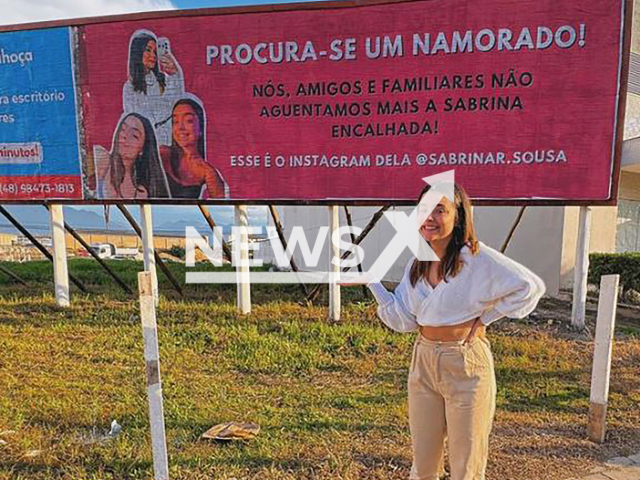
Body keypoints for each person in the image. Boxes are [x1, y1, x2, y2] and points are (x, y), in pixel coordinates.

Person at [347, 183, 545, 480]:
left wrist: (487, 318)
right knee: (424, 461)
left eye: (440, 209)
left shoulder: (478, 259)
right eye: (424, 209)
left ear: (458, 216)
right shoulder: (417, 264)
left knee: (466, 463)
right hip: (424, 360)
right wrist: (373, 283)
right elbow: (403, 320)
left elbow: (529, 287)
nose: (429, 217)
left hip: (466, 363)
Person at [122, 30, 184, 146]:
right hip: (147, 144)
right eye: (148, 50)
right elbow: (139, 119)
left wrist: (176, 74)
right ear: (138, 52)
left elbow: (176, 104)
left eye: (155, 51)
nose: (153, 55)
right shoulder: (130, 87)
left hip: (169, 141)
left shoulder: (163, 79)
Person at [160, 97, 229, 199]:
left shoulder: (207, 171)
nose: (180, 127)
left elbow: (222, 206)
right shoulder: (162, 154)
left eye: (189, 121)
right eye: (175, 121)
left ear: (201, 128)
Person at [94, 113, 171, 199]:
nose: (125, 136)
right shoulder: (102, 159)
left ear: (142, 149)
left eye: (134, 135)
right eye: (122, 129)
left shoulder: (141, 193)